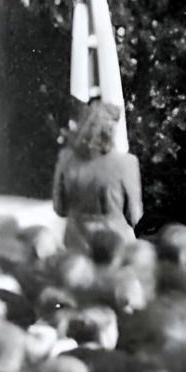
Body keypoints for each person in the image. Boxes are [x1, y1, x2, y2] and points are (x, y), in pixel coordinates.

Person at [51, 97, 143, 257]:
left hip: (75, 243)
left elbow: (60, 208)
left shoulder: (66, 158)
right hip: (114, 246)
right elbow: (135, 216)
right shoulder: (126, 163)